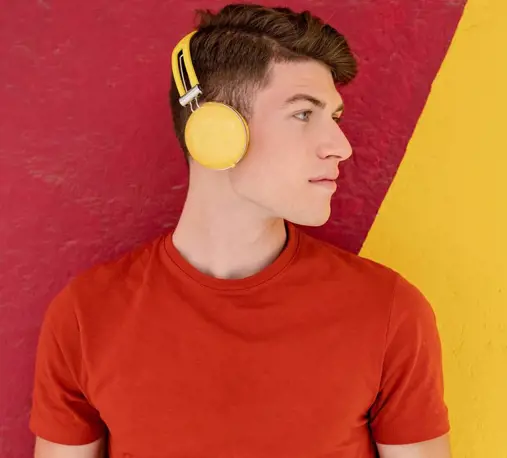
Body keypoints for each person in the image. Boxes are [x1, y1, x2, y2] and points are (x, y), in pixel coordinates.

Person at [29, 4, 451, 458]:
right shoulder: (85, 316)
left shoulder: (390, 312)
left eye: (336, 117)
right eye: (305, 114)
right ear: (215, 130)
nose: (341, 146)